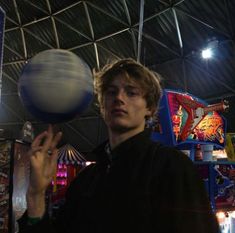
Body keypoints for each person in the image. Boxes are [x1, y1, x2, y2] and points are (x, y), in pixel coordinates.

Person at [18, 58, 219, 233]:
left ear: (149, 108)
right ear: (102, 105)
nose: (119, 98)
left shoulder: (172, 167)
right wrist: (35, 193)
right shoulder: (86, 181)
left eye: (131, 93)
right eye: (111, 92)